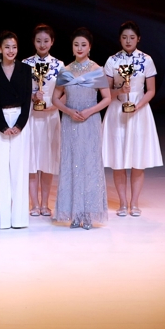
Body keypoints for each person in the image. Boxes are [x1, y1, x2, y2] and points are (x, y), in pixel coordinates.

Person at [51, 28, 112, 230]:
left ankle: (88, 214)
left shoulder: (97, 70)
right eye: (76, 44)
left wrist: (89, 111)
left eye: (83, 45)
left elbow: (107, 98)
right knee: (72, 164)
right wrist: (69, 111)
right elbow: (55, 99)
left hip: (90, 122)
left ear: (90, 47)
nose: (79, 48)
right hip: (70, 123)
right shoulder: (66, 71)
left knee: (89, 165)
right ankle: (75, 214)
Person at [102, 20, 164, 217]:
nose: (128, 41)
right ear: (119, 39)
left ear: (138, 39)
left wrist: (138, 105)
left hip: (139, 111)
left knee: (138, 159)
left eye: (131, 37)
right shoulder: (112, 60)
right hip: (117, 111)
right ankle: (122, 203)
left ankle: (134, 203)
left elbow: (151, 90)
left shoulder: (146, 60)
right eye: (124, 37)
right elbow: (106, 93)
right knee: (118, 160)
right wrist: (120, 91)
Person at [0, 31, 33, 230]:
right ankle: (2, 220)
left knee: (19, 169)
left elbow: (28, 99)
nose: (11, 51)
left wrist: (19, 125)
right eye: (7, 47)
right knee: (0, 170)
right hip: (0, 122)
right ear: (0, 49)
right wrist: (3, 126)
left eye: (14, 47)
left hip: (20, 120)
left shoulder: (25, 70)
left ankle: (20, 219)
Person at [21, 24, 64, 217]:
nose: (42, 44)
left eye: (46, 41)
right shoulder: (25, 64)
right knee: (31, 160)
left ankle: (45, 204)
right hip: (31, 115)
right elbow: (20, 92)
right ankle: (34, 204)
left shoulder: (60, 65)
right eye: (39, 41)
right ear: (33, 42)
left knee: (48, 160)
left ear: (52, 42)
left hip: (51, 116)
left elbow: (66, 92)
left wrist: (56, 105)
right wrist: (32, 97)